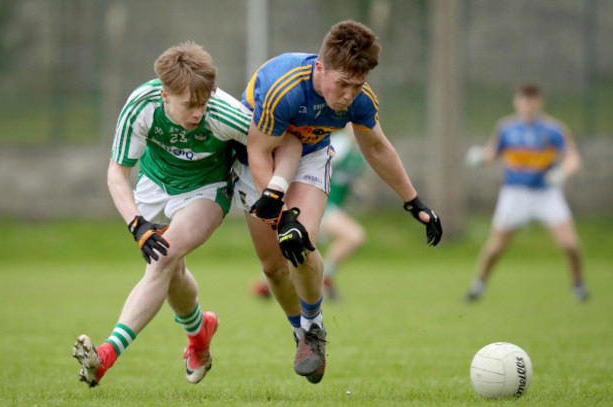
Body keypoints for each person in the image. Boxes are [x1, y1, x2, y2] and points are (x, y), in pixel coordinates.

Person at [72, 42, 301, 388]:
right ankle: (199, 334)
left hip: (206, 189)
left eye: (203, 102)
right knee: (173, 272)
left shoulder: (223, 113)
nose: (198, 112)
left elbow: (287, 143)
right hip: (154, 182)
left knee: (163, 258)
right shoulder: (141, 106)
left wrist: (278, 190)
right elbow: (117, 174)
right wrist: (137, 224)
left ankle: (105, 356)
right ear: (165, 94)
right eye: (190, 105)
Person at [232, 20, 443, 384]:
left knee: (298, 242)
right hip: (258, 160)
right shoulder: (284, 88)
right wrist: (277, 211)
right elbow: (259, 150)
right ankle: (300, 333)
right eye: (342, 84)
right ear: (320, 66)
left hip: (311, 157)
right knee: (272, 269)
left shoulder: (359, 100)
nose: (347, 95)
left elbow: (377, 147)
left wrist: (414, 202)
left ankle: (314, 329)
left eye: (357, 85)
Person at [464, 82, 589, 302]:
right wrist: (480, 158)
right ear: (516, 102)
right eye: (524, 101)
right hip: (515, 194)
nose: (528, 107)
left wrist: (563, 173)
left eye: (532, 102)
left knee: (570, 245)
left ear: (539, 103)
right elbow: (494, 153)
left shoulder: (553, 129)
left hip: (546, 194)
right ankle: (478, 286)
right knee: (495, 247)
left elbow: (572, 158)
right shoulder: (506, 128)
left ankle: (579, 287)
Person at [249, 124, 367, 301]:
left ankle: (264, 284)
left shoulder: (363, 155)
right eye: (353, 125)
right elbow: (313, 166)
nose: (357, 129)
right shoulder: (340, 146)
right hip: (322, 205)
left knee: (300, 248)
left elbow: (345, 179)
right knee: (353, 236)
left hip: (333, 205)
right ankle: (325, 277)